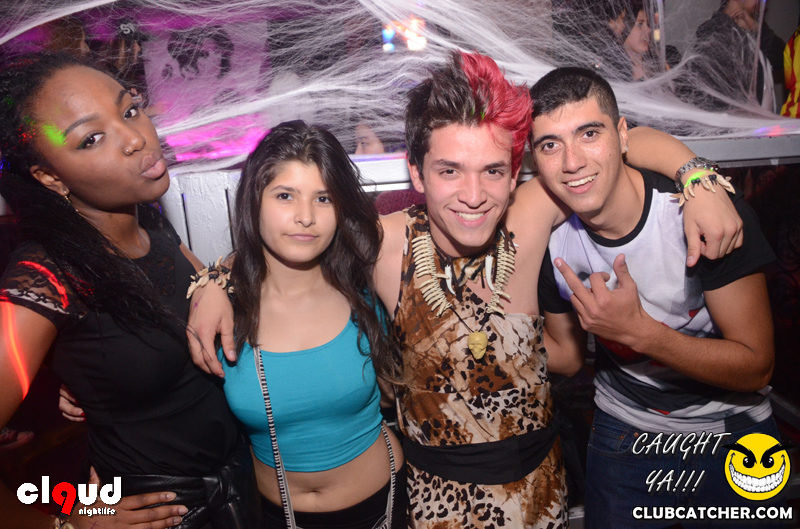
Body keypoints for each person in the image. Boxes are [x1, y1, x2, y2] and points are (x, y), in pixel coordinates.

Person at [188, 51, 746, 528]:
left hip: (541, 497)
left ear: (516, 172)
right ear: (416, 173)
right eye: (450, 171)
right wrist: (215, 280)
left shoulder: (528, 218)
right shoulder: (385, 243)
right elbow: (295, 235)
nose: (474, 195)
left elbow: (622, 142)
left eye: (493, 171)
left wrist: (696, 178)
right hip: (433, 506)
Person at [0, 52, 259, 529]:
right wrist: (75, 516)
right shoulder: (46, 274)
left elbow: (200, 297)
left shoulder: (149, 224)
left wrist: (214, 283)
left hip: (239, 490)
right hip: (163, 513)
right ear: (50, 177)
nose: (136, 138)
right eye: (91, 138)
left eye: (130, 109)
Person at [530, 66, 780, 528]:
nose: (572, 161)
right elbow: (566, 354)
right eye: (550, 145)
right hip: (624, 431)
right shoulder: (550, 241)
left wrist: (640, 333)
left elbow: (757, 366)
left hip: (733, 433)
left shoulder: (697, 214)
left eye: (589, 134)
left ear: (623, 134)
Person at [219, 120, 407, 528]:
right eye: (285, 195)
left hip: (383, 506)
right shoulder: (222, 309)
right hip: (276, 517)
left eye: (323, 198)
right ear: (254, 200)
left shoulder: (365, 292)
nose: (305, 217)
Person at [677, 0, 783, 112]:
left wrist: (758, 30)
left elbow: (783, 59)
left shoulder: (748, 29)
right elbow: (714, 104)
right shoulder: (717, 34)